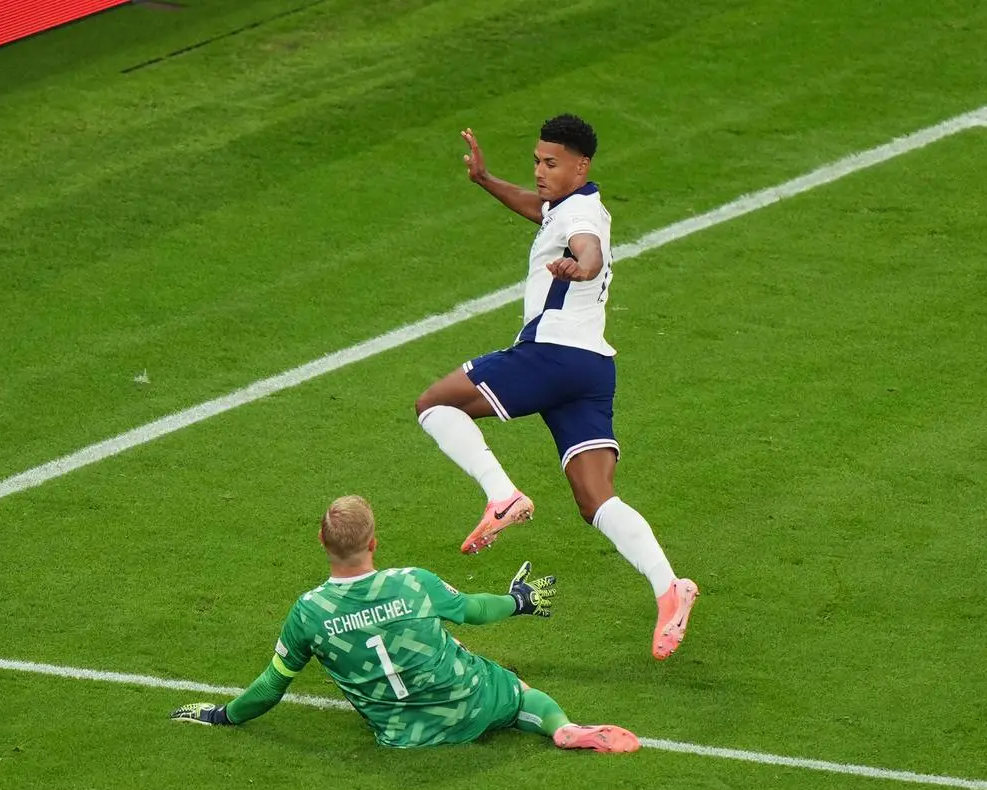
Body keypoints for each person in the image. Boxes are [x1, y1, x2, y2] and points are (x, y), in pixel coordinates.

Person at [413, 114, 698, 660]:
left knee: (434, 404)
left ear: (581, 165)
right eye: (537, 162)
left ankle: (502, 496)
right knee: (596, 499)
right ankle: (670, 589)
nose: (540, 172)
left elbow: (587, 249)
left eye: (551, 163)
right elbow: (535, 207)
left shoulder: (584, 216)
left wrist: (582, 270)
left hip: (552, 353)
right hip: (592, 368)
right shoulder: (566, 205)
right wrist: (485, 180)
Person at [169, 495, 638, 753]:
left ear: (320, 541)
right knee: (518, 689)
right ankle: (560, 727)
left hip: (401, 734)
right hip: (469, 704)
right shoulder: (412, 582)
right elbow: (475, 610)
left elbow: (272, 687)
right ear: (374, 543)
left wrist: (220, 714)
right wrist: (517, 600)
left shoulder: (308, 612)